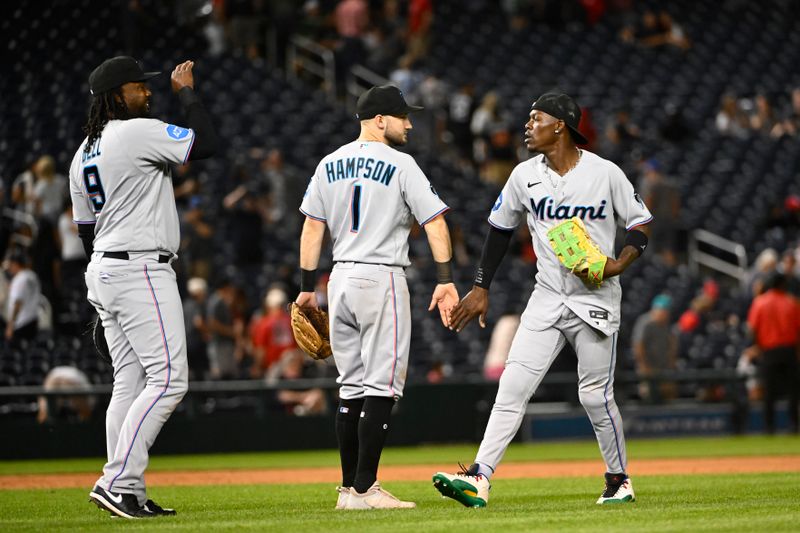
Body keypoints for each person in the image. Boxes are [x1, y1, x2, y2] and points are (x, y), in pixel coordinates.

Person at [434, 93, 652, 507]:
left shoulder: (605, 173)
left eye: (536, 119)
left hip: (596, 296)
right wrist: (481, 286)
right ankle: (480, 477)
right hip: (548, 295)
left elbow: (640, 221)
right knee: (512, 386)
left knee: (594, 395)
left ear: (561, 127)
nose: (527, 125)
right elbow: (499, 229)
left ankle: (618, 480)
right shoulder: (523, 175)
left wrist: (620, 262)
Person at [296, 84, 458, 510]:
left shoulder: (328, 163)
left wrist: (306, 288)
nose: (409, 123)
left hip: (339, 280)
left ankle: (349, 490)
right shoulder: (401, 164)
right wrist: (445, 278)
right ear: (380, 120)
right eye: (402, 116)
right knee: (382, 388)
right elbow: (436, 223)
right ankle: (366, 488)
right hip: (380, 277)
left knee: (350, 389)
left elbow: (312, 229)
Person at [68, 56, 217, 519]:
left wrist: (107, 293)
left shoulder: (81, 153)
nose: (146, 93)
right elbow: (207, 143)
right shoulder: (133, 132)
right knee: (170, 379)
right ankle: (115, 481)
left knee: (129, 385)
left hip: (108, 269)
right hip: (139, 269)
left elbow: (86, 232)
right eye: (137, 88)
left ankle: (127, 488)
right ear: (116, 96)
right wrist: (186, 92)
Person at [746, 273, 800, 434]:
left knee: (769, 391)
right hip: (789, 350)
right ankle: (794, 425)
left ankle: (769, 427)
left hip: (769, 351)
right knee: (793, 391)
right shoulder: (792, 302)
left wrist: (758, 346)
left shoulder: (760, 302)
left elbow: (752, 329)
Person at [631, 294, 678, 403]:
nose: (667, 315)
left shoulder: (666, 324)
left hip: (663, 368)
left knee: (668, 394)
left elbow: (671, 343)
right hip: (648, 368)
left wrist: (671, 364)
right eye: (664, 312)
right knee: (649, 395)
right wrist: (644, 367)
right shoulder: (645, 322)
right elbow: (638, 345)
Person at [3, 249, 41, 343]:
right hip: (33, 319)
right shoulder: (32, 275)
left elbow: (17, 303)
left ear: (16, 264)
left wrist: (10, 326)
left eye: (11, 264)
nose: (10, 268)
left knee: (16, 353)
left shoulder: (19, 278)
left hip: (21, 323)